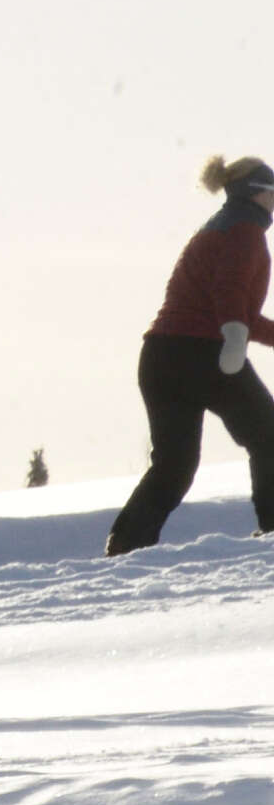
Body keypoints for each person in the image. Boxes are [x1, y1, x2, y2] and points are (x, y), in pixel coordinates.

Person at [106, 156, 274, 557]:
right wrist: (233, 335)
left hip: (160, 356)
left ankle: (125, 545)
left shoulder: (217, 226)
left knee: (174, 465)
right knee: (268, 436)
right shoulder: (245, 230)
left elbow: (235, 310)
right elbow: (230, 294)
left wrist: (238, 329)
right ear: (257, 193)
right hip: (204, 355)